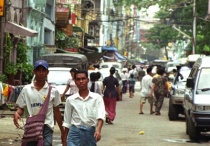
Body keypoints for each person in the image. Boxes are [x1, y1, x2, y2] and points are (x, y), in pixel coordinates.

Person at [13, 60, 64, 146]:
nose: (41, 73)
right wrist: (17, 113)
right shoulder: (26, 89)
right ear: (34, 72)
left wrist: (62, 131)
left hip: (47, 126)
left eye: (43, 70)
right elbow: (21, 108)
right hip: (31, 126)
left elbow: (57, 111)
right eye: (38, 70)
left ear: (47, 72)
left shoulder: (53, 91)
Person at [62, 70, 106, 146]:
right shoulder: (70, 100)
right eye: (78, 79)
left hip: (90, 132)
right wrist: (64, 138)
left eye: (83, 78)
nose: (81, 81)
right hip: (74, 133)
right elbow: (67, 121)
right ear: (75, 81)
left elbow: (101, 116)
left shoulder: (97, 98)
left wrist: (98, 130)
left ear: (87, 80)